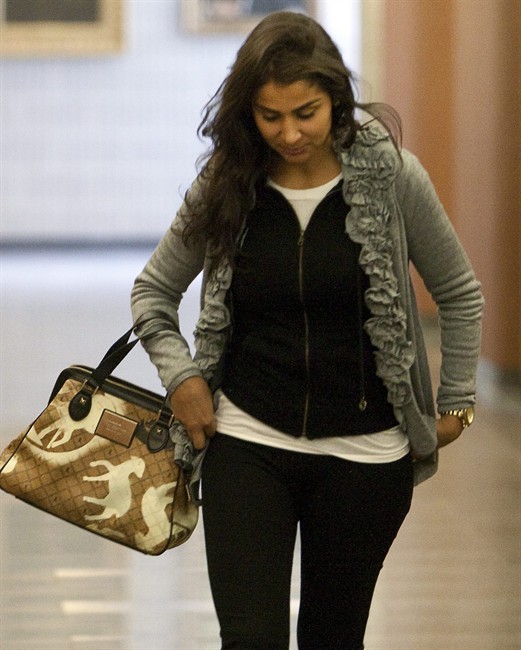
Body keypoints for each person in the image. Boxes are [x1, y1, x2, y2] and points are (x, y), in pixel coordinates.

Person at [131, 11, 483, 649]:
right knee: (249, 638)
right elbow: (154, 291)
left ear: (337, 102)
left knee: (332, 636)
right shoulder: (228, 183)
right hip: (247, 441)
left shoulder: (392, 178)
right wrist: (183, 378)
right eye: (270, 116)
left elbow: (460, 292)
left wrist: (456, 399)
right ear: (249, 113)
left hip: (365, 456)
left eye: (306, 113)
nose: (289, 133)